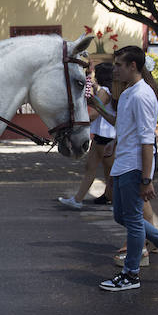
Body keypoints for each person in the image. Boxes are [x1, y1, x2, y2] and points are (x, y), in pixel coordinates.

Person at [93, 46, 158, 291]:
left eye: (119, 65)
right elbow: (120, 123)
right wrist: (97, 106)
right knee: (121, 216)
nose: (115, 70)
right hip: (122, 162)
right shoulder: (127, 93)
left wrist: (147, 179)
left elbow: (148, 140)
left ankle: (131, 274)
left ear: (132, 66)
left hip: (135, 166)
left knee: (133, 220)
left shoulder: (142, 95)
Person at [58, 62, 116, 209]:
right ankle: (110, 199)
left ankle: (79, 200)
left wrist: (80, 121)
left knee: (95, 169)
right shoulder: (110, 90)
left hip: (103, 135)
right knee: (105, 170)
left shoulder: (104, 91)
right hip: (108, 134)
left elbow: (96, 113)